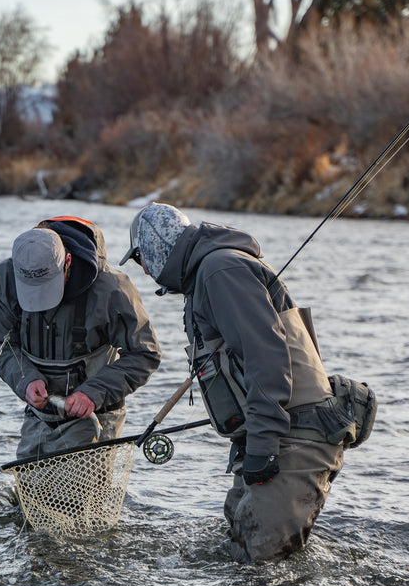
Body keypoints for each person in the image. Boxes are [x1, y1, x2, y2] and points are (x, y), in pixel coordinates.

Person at [119, 202, 345, 564]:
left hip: (291, 436)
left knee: (262, 566)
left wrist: (264, 444)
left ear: (157, 246)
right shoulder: (210, 270)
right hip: (275, 432)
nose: (143, 270)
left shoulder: (218, 269)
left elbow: (266, 356)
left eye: (139, 259)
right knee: (240, 553)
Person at [0, 216, 161, 461]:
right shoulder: (3, 279)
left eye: (47, 287)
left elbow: (145, 354)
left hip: (96, 418)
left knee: (79, 500)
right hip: (39, 417)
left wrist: (93, 393)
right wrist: (25, 380)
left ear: (68, 262)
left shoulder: (113, 289)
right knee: (29, 496)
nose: (40, 301)